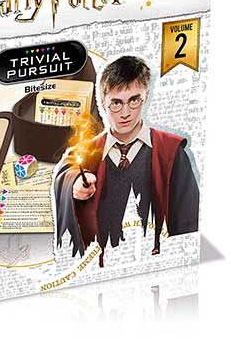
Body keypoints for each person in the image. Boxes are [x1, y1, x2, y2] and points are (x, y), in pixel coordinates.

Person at [53, 55, 199, 266]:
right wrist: (74, 183)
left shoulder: (171, 152)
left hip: (155, 263)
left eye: (134, 100)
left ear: (145, 97)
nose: (125, 113)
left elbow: (189, 221)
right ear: (102, 103)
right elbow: (68, 169)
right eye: (116, 103)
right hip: (98, 267)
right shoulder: (85, 152)